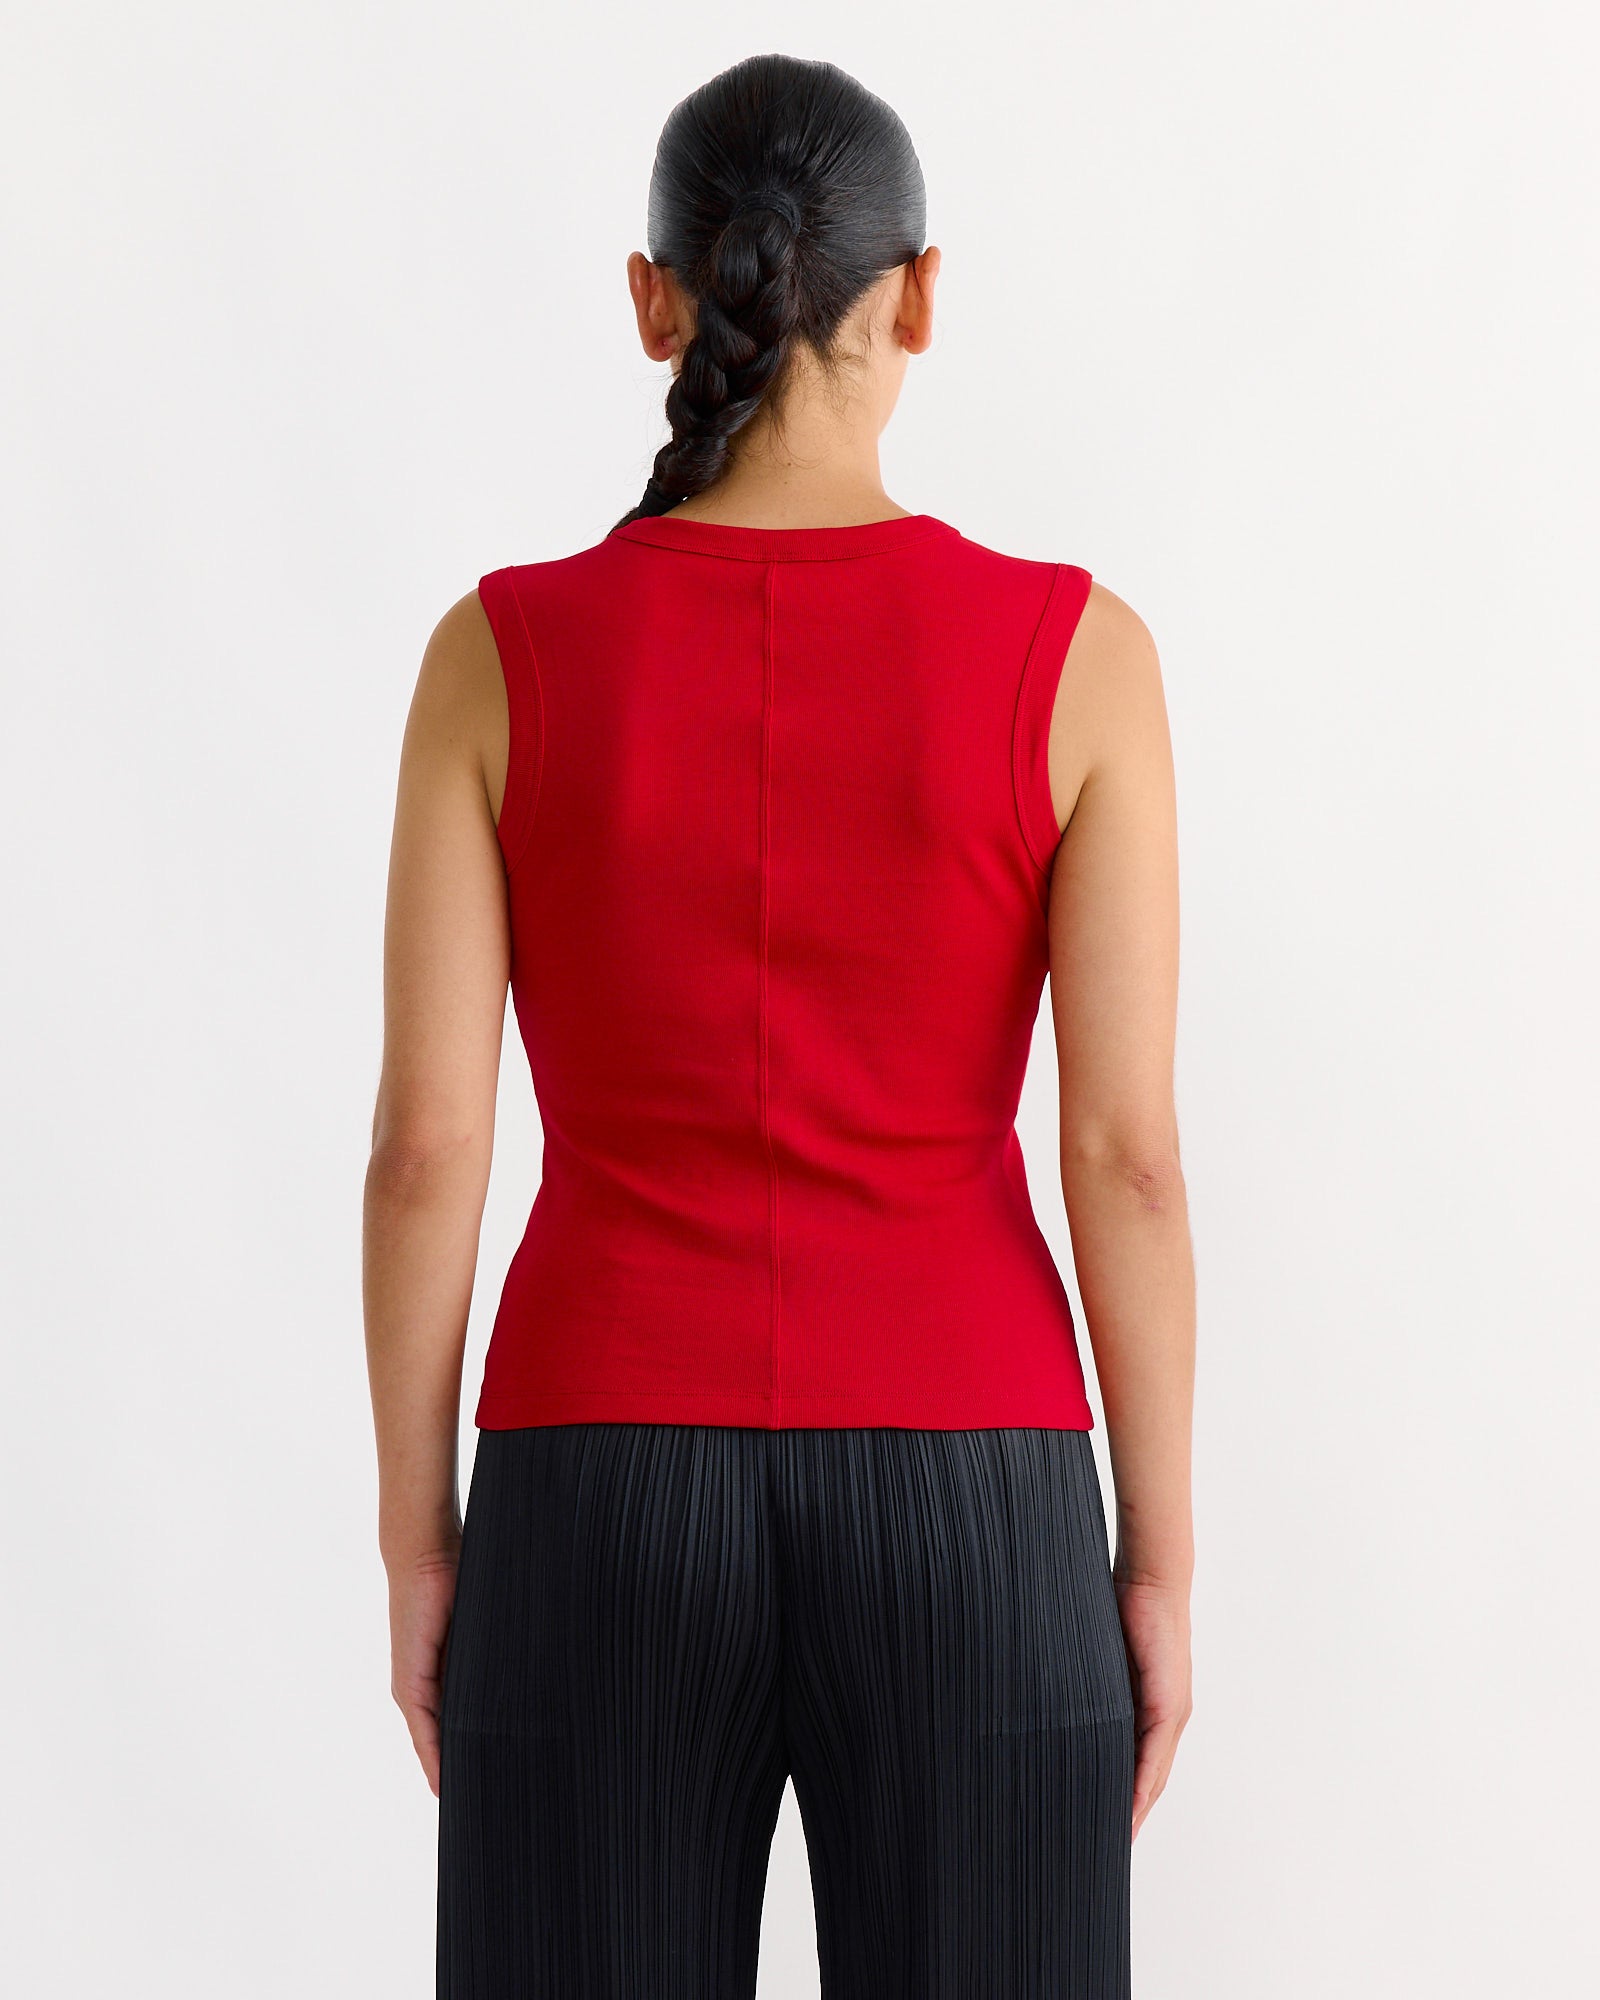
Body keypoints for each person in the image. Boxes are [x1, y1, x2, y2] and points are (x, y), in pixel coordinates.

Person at [363, 51, 1195, 2000]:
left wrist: (421, 1547)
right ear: (920, 297)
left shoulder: (495, 656)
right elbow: (1125, 1162)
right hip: (975, 1487)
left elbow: (426, 1150)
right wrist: (1154, 1562)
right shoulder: (1077, 657)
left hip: (593, 1486)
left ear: (653, 301)